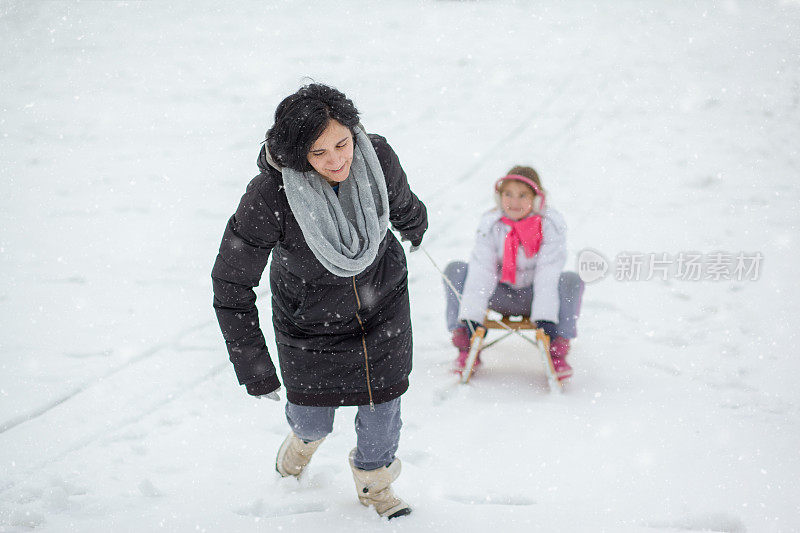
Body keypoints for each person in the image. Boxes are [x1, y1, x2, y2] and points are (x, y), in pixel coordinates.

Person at [211, 83, 427, 519]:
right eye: (318, 152)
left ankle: (375, 482)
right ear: (295, 154)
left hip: (382, 302)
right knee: (312, 420)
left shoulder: (377, 156)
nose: (337, 160)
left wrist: (414, 223)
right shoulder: (269, 196)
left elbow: (398, 201)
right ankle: (301, 443)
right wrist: (254, 365)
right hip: (310, 323)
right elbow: (230, 286)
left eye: (342, 143)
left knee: (383, 407)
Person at [442, 166, 583, 380]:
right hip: (499, 295)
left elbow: (548, 273)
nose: (514, 202)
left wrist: (545, 321)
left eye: (522, 195)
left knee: (570, 280)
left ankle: (557, 348)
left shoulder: (549, 225)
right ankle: (465, 341)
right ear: (499, 197)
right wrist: (472, 318)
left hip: (535, 297)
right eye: (508, 194)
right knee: (456, 269)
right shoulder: (492, 224)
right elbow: (482, 271)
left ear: (536, 199)